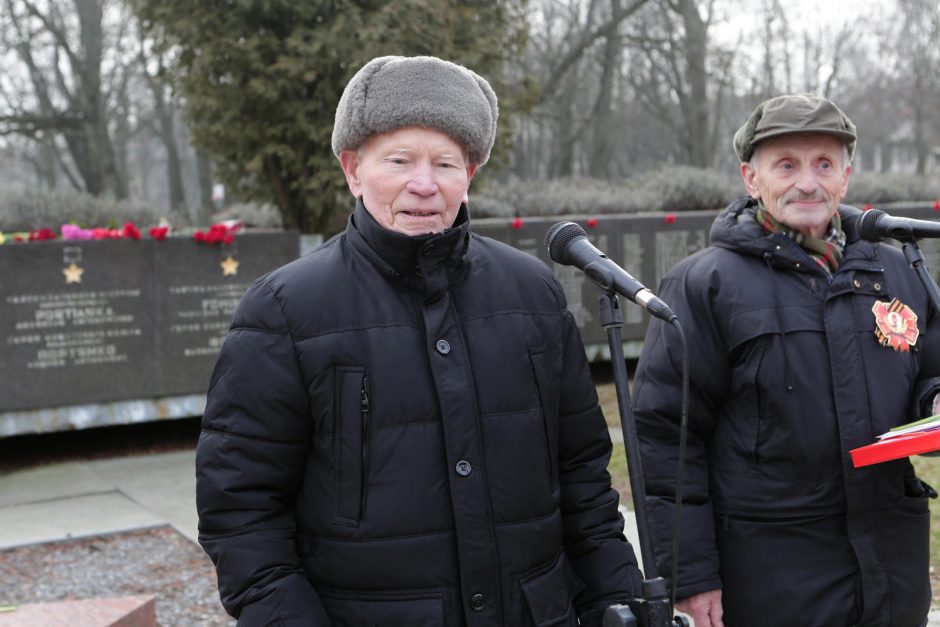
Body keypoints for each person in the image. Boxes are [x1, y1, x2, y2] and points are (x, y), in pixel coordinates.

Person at [196, 55, 642, 626]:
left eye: (445, 163)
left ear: (470, 174)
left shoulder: (532, 291)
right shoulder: (286, 309)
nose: (424, 185)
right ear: (353, 169)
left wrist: (616, 600)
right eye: (400, 160)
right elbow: (241, 511)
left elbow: (582, 476)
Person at [632, 94, 940, 627]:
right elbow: (665, 436)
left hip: (891, 569)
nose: (808, 182)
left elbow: (929, 368)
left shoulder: (897, 270)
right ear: (752, 179)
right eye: (787, 165)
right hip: (771, 573)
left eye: (824, 164)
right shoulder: (706, 283)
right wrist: (691, 574)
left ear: (846, 176)